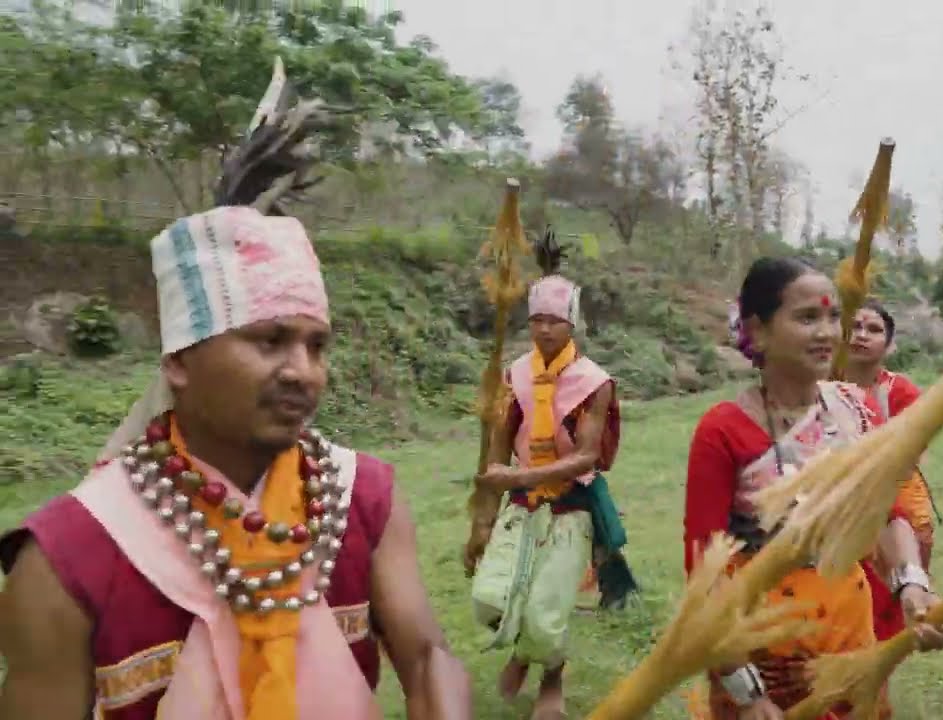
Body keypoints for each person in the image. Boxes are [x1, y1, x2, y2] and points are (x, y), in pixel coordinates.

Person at [0, 65, 471, 720]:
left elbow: (425, 655)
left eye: (317, 345)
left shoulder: (362, 499)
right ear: (180, 360)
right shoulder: (68, 556)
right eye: (269, 340)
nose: (303, 371)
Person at [685, 258, 943, 720]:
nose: (828, 333)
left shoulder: (855, 409)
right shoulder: (723, 430)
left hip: (846, 625)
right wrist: (746, 691)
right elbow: (703, 570)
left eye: (833, 317)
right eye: (808, 317)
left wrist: (913, 586)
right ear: (758, 330)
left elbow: (884, 512)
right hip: (762, 639)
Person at [465, 257, 633, 720]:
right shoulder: (515, 374)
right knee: (490, 597)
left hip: (570, 503)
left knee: (547, 610)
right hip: (521, 500)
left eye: (554, 321)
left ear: (571, 324)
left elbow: (586, 456)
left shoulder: (593, 382)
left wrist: (517, 478)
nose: (544, 329)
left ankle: (551, 676)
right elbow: (499, 446)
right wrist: (482, 521)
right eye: (536, 319)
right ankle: (524, 652)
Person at [843, 300, 941, 645]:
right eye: (855, 327)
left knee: (906, 556)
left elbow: (917, 448)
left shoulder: (899, 391)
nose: (861, 335)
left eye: (873, 330)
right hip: (838, 492)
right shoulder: (818, 386)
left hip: (894, 487)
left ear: (889, 344)